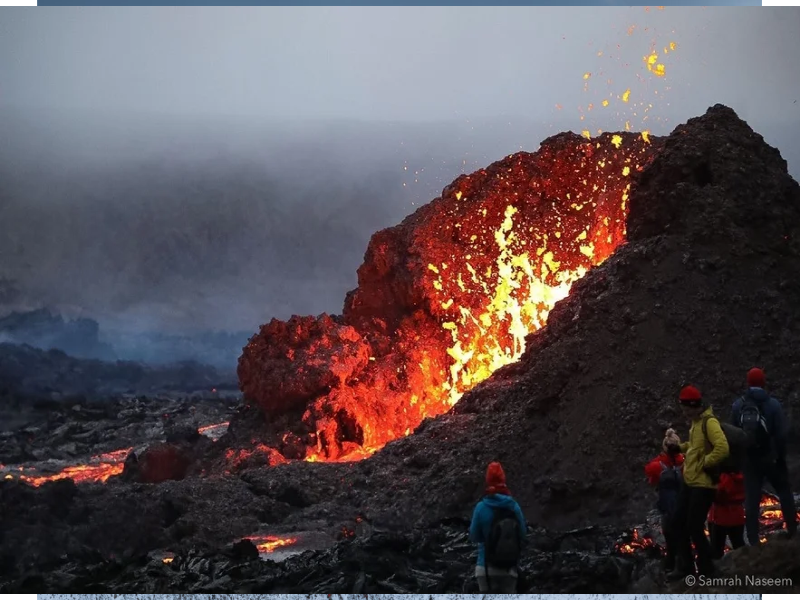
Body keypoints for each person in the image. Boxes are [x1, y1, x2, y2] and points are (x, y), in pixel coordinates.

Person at [667, 385, 729, 580]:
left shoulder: (709, 423)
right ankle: (686, 566)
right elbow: (694, 447)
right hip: (690, 482)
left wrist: (705, 463)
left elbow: (722, 447)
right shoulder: (695, 423)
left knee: (694, 526)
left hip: (703, 485)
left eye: (685, 408)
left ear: (694, 406)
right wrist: (679, 448)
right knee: (677, 522)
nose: (683, 412)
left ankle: (707, 568)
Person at [731, 367, 797, 544]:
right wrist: (780, 457)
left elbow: (734, 434)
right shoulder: (773, 404)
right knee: (783, 489)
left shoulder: (738, 405)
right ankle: (792, 530)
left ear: (748, 383)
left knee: (751, 499)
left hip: (750, 460)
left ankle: (753, 540)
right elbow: (781, 434)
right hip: (770, 456)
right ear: (763, 382)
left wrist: (739, 460)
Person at [469, 461, 527, 592]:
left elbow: (474, 536)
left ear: (487, 480)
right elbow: (523, 534)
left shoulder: (481, 507)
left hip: (485, 569)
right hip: (509, 569)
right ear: (503, 478)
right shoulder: (513, 507)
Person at [644, 429, 685, 571]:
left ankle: (671, 565)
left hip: (667, 507)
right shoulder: (685, 463)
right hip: (684, 505)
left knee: (669, 536)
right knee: (684, 536)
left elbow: (650, 476)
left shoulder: (657, 466)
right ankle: (684, 564)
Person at [708, 471, 746, 558]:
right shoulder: (742, 476)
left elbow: (718, 495)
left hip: (720, 517)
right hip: (738, 515)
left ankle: (719, 569)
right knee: (739, 546)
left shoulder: (724, 478)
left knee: (716, 550)